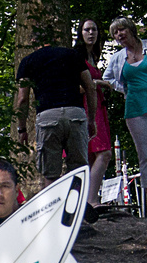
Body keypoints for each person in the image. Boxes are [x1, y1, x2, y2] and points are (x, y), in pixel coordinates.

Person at [102, 19, 147, 225]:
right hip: (135, 110)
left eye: (121, 30)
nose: (119, 35)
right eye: (115, 33)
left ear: (131, 29)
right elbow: (108, 79)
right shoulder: (118, 58)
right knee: (146, 155)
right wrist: (124, 89)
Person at [14, 33, 97, 189]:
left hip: (47, 117)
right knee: (79, 170)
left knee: (50, 173)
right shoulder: (73, 55)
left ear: (33, 41)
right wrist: (91, 119)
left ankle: (53, 210)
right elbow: (90, 87)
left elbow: (22, 99)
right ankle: (80, 210)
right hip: (75, 114)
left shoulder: (28, 62)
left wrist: (22, 129)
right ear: (55, 40)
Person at [75, 19, 113, 218]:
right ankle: (91, 199)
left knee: (92, 157)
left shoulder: (93, 56)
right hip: (87, 109)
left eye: (94, 29)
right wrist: (98, 82)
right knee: (104, 153)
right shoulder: (77, 57)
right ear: (80, 33)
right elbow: (75, 87)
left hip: (98, 107)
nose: (91, 33)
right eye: (87, 29)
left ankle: (87, 201)